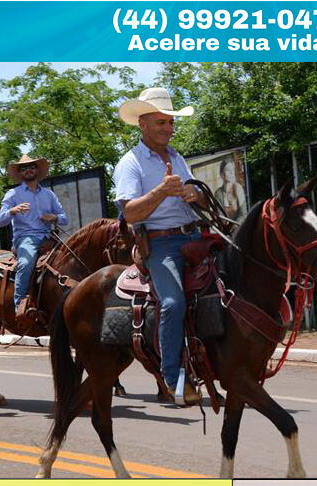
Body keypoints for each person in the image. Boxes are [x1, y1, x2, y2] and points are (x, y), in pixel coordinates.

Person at [114, 87, 206, 405]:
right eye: (161, 122)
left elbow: (197, 193)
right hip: (161, 242)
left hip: (194, 235)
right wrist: (161, 191)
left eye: (170, 122)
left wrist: (195, 194)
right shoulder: (131, 163)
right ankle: (172, 377)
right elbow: (129, 213)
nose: (168, 128)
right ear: (143, 124)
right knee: (172, 302)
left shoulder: (177, 157)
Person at [0, 155, 68, 325]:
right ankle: (19, 305)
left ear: (37, 170)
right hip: (25, 238)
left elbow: (64, 218)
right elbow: (0, 221)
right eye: (24, 168)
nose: (28, 170)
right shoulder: (13, 194)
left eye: (31, 167)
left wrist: (54, 217)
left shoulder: (49, 194)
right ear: (20, 173)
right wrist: (13, 210)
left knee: (73, 259)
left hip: (49, 237)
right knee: (26, 263)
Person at [214, 156, 247, 221]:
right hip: (225, 226)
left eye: (233, 169)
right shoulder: (218, 193)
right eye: (228, 170)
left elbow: (244, 214)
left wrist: (234, 226)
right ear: (222, 174)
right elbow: (220, 216)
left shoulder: (238, 188)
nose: (232, 172)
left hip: (240, 225)